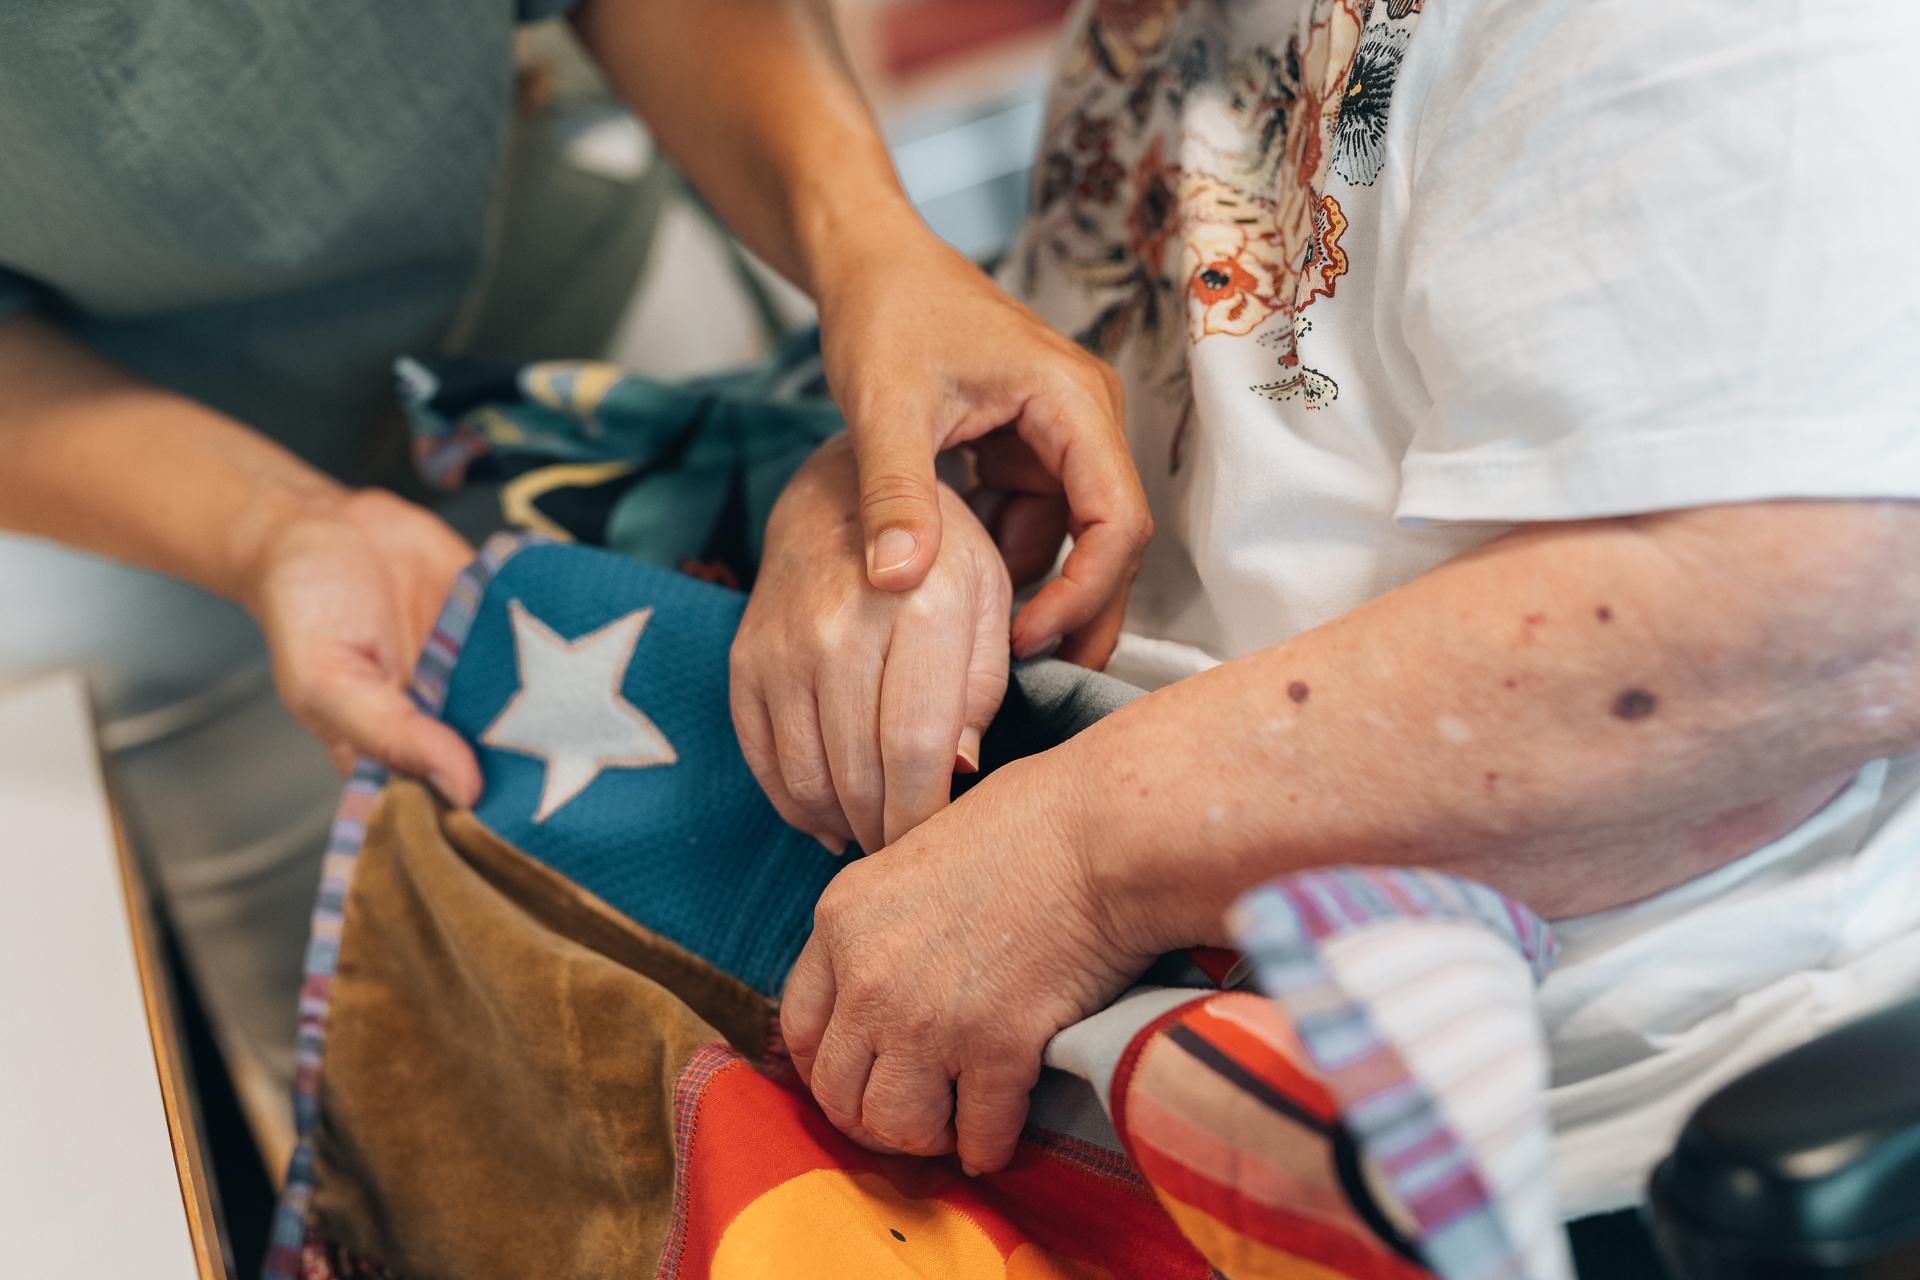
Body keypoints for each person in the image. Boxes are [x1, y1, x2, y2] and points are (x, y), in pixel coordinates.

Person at [734, 0, 1920, 1218]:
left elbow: (1799, 609)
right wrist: (884, 485)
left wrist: (1070, 865)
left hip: (1482, 1132)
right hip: (1061, 919)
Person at [0, 0, 1146, 1138]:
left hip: (573, 294)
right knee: (436, 1083)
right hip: (120, 481)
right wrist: (267, 528)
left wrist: (872, 252)